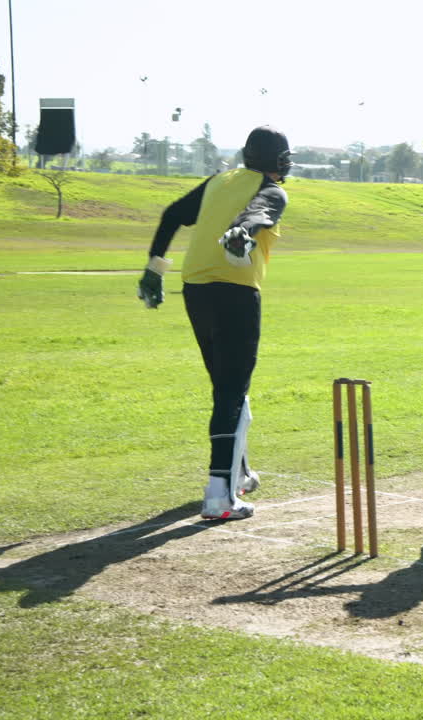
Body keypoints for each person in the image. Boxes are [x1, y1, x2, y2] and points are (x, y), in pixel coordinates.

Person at [136, 126, 293, 520]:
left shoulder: (218, 181)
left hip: (196, 290)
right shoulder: (274, 190)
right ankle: (220, 495)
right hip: (235, 292)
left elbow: (173, 214)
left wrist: (155, 268)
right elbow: (257, 212)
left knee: (228, 388)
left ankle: (238, 473)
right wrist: (242, 232)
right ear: (279, 160)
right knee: (231, 392)